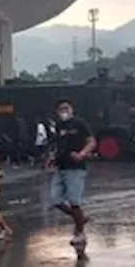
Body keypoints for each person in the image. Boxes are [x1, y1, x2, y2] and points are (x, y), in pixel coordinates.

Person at [49, 99, 95, 250]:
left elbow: (91, 142)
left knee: (74, 201)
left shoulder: (80, 124)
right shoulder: (58, 126)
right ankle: (80, 218)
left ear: (72, 109)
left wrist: (82, 154)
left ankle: (80, 232)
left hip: (75, 168)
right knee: (55, 199)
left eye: (66, 108)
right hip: (60, 167)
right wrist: (52, 157)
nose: (64, 111)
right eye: (61, 109)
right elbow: (58, 145)